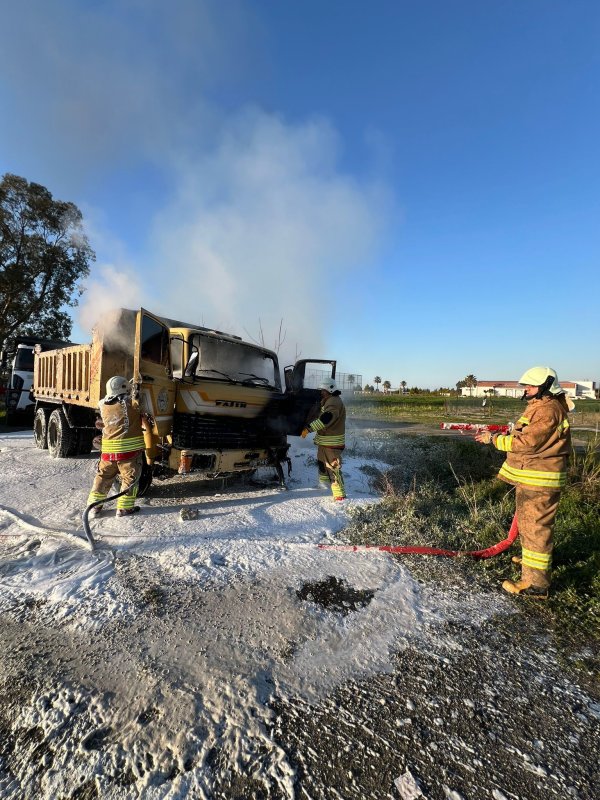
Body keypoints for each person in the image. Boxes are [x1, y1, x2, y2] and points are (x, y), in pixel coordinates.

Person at [475, 366, 573, 599]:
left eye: (530, 385)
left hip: (540, 480)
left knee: (536, 528)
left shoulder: (548, 410)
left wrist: (494, 439)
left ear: (546, 386)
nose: (526, 389)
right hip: (533, 478)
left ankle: (536, 584)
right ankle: (532, 564)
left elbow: (527, 443)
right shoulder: (540, 407)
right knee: (530, 527)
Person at [86, 375, 147, 518]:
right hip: (129, 452)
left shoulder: (102, 405)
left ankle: (94, 507)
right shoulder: (131, 404)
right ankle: (124, 509)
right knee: (129, 479)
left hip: (107, 452)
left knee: (103, 476)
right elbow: (144, 408)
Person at [301, 379, 347, 501]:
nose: (321, 392)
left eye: (323, 390)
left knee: (333, 467)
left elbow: (326, 419)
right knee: (322, 464)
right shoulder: (328, 400)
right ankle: (324, 485)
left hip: (332, 443)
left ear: (329, 390)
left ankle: (339, 494)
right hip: (325, 441)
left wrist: (309, 429)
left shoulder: (333, 402)